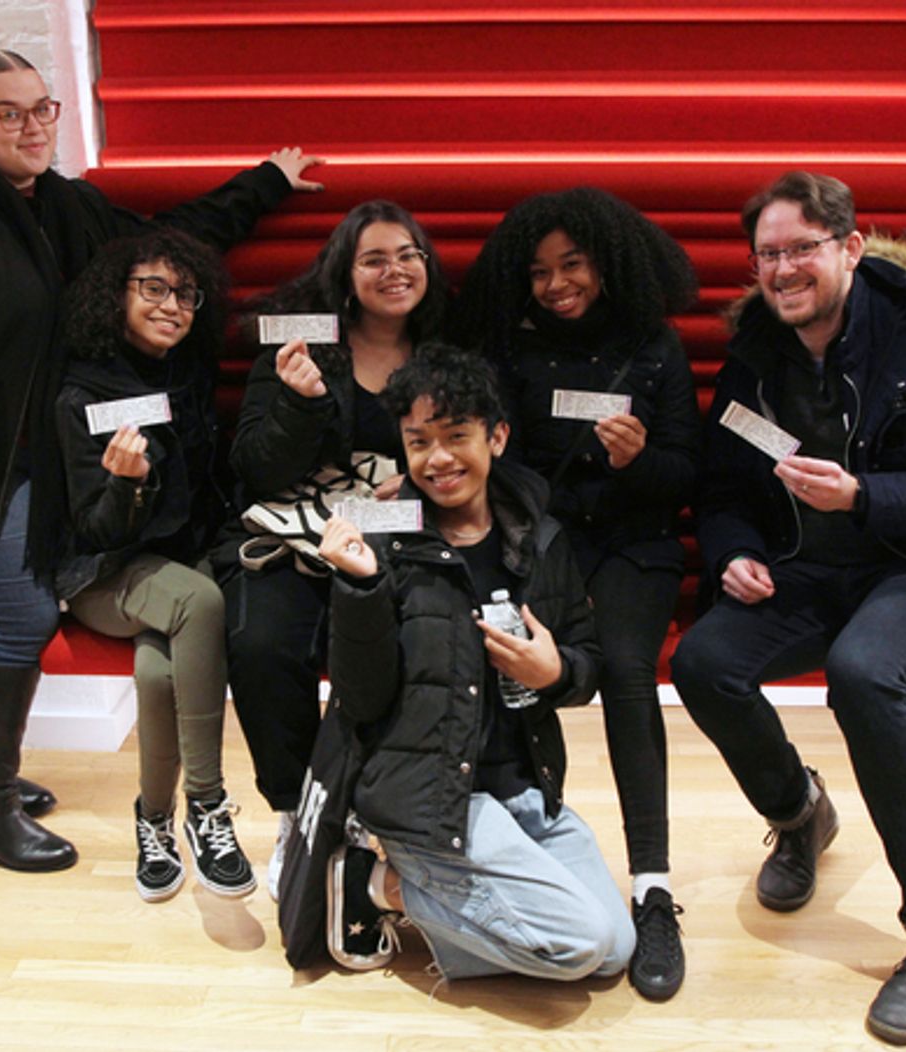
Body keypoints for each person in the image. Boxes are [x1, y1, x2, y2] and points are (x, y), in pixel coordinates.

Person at [0, 47, 323, 872]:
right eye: (9, 113)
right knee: (17, 620)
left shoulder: (67, 207)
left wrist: (267, 183)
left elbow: (169, 241)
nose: (33, 126)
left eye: (44, 109)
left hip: (32, 461)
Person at [669, 171, 906, 1044]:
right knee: (702, 665)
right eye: (768, 255)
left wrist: (863, 497)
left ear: (850, 249)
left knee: (863, 676)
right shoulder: (757, 356)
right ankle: (800, 816)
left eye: (802, 249)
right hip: (806, 566)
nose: (784, 269)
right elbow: (723, 488)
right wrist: (737, 552)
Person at [450, 187, 702, 1000]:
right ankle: (502, 842)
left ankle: (652, 887)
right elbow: (499, 464)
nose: (557, 284)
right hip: (546, 542)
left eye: (573, 265)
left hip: (635, 543)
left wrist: (634, 463)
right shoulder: (512, 351)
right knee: (488, 660)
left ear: (608, 263)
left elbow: (684, 477)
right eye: (540, 272)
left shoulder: (656, 348)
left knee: (628, 671)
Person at [316, 347, 635, 982]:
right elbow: (362, 697)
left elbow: (587, 661)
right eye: (418, 441)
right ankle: (377, 882)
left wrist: (555, 674)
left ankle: (417, 899)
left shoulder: (541, 537)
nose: (438, 460)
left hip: (527, 789)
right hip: (434, 800)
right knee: (578, 947)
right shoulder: (385, 540)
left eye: (456, 436)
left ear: (497, 436)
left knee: (614, 954)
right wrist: (359, 589)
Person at [213, 200, 450, 900]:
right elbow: (254, 466)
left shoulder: (444, 350)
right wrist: (301, 403)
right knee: (261, 644)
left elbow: (477, 450)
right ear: (345, 276)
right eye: (374, 259)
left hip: (398, 536)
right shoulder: (302, 345)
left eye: (408, 254)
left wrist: (420, 479)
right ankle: (298, 810)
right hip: (289, 531)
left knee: (407, 647)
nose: (395, 270)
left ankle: (378, 809)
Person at [54, 227, 255, 901]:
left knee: (157, 667)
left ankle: (152, 820)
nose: (172, 304)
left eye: (185, 293)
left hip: (174, 560)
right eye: (154, 288)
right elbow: (94, 529)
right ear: (117, 294)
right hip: (103, 573)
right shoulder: (80, 394)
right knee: (198, 603)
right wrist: (126, 483)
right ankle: (207, 805)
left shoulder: (185, 374)